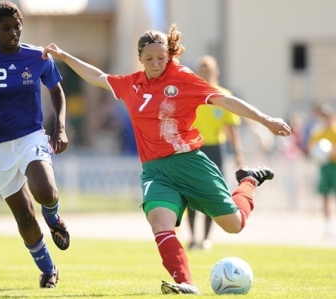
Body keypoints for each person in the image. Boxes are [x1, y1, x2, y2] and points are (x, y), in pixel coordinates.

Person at [43, 24, 291, 294]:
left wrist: (267, 120)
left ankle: (248, 180)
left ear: (169, 54)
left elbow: (226, 102)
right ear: (140, 58)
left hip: (190, 163)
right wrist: (65, 56)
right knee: (159, 222)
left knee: (234, 225)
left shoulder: (183, 78)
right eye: (149, 59)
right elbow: (98, 77)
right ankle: (185, 282)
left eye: (161, 57)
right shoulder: (132, 84)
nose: (156, 63)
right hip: (156, 171)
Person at [0, 1, 70, 289]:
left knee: (45, 190)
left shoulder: (37, 56)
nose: (13, 32)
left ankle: (53, 215)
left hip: (30, 136)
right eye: (6, 28)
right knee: (23, 216)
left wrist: (60, 128)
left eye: (16, 26)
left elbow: (57, 91)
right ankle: (48, 270)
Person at [186, 55, 243, 250]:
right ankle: (193, 237)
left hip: (215, 149)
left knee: (213, 194)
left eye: (209, 69)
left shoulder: (223, 95)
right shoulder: (191, 94)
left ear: (216, 71)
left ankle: (207, 238)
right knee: (191, 194)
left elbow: (231, 128)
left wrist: (237, 153)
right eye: (202, 69)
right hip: (193, 149)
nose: (206, 72)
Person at [307, 104, 336, 239]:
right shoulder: (318, 133)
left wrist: (332, 150)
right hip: (324, 167)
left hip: (335, 165)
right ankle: (328, 225)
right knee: (325, 196)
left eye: (328, 116)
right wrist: (317, 152)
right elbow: (310, 149)